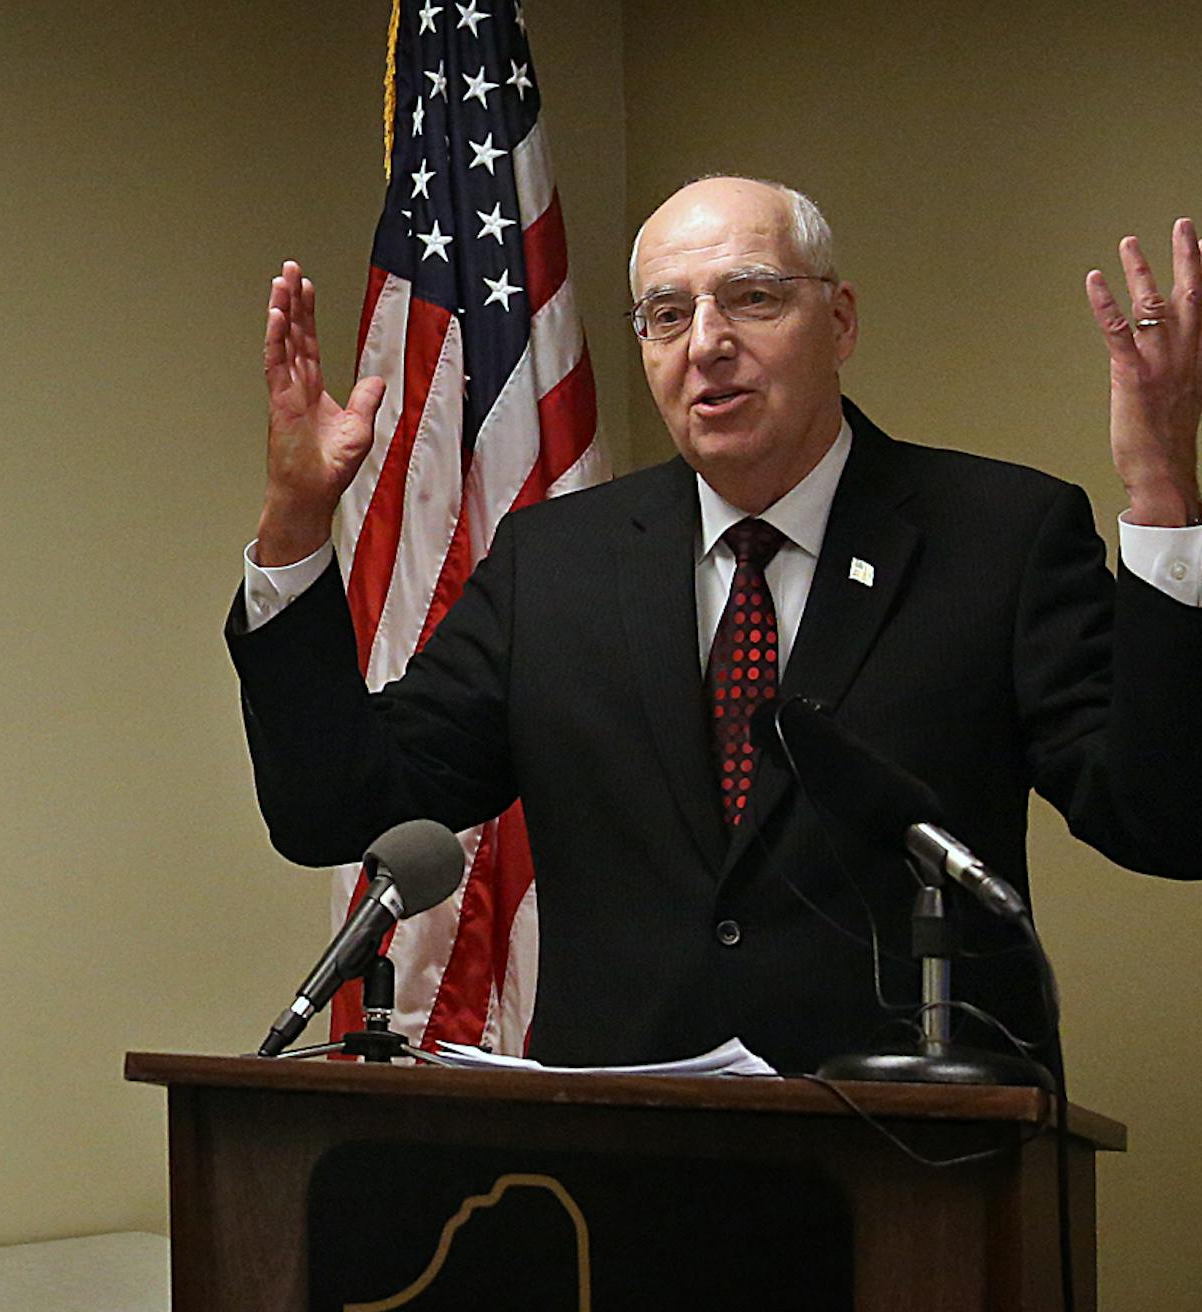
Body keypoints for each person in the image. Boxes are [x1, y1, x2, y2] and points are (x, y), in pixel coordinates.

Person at [229, 177, 1202, 1073]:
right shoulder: (555, 564)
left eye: (753, 298)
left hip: (916, 1158)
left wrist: (1161, 488)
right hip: (617, 1171)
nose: (706, 341)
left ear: (842, 319)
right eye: (666, 315)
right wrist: (297, 517)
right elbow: (335, 809)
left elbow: (1164, 818)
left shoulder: (999, 538)